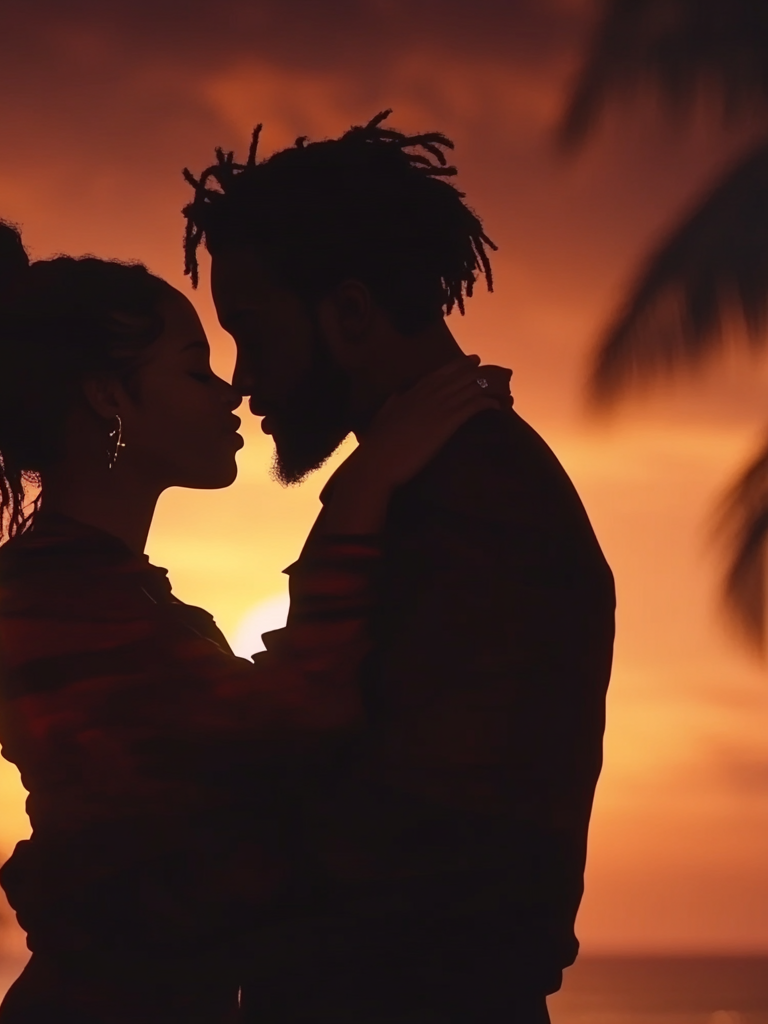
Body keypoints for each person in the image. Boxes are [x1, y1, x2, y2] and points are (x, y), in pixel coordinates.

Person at [0, 219, 505, 1023]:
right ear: (109, 396)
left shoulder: (103, 589)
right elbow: (296, 720)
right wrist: (365, 490)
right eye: (195, 370)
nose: (230, 391)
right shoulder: (65, 604)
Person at [182, 111, 616, 1023]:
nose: (241, 380)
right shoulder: (433, 483)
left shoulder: (477, 501)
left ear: (348, 313)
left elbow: (426, 838)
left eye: (254, 335)